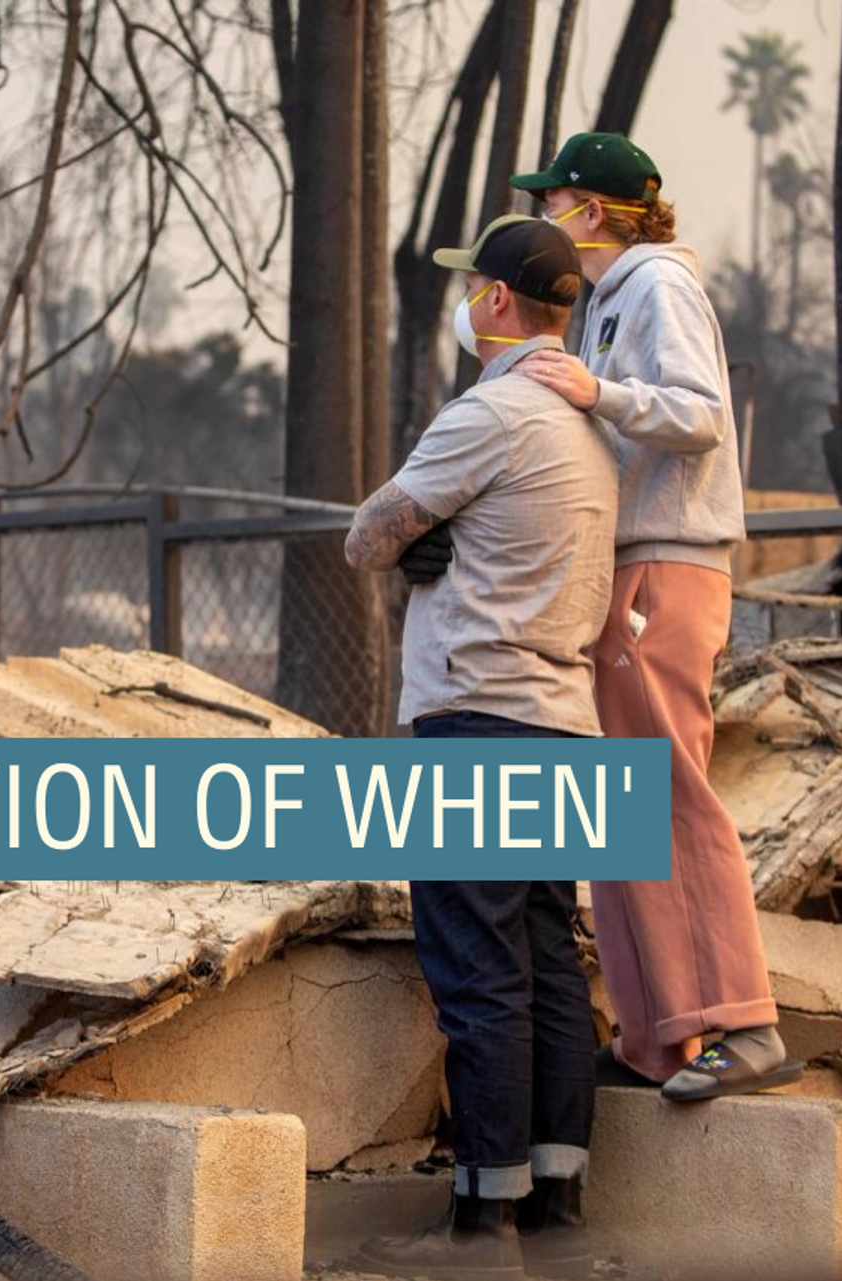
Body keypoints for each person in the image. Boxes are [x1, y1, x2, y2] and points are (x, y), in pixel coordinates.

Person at [343, 214, 616, 1279]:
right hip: (567, 722)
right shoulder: (592, 430)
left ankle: (479, 1223)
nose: (469, 303)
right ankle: (557, 1206)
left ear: (498, 301)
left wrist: (418, 542)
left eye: (474, 289)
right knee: (549, 962)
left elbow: (367, 535)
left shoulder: (492, 411)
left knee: (477, 970)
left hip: (476, 719)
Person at [506, 131, 800, 1102]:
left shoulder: (657, 287)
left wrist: (599, 391)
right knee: (619, 813)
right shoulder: (610, 302)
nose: (545, 218)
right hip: (626, 567)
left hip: (666, 568)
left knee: (669, 794)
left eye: (554, 202)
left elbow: (700, 411)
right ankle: (656, 1035)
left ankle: (742, 1023)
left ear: (591, 211)